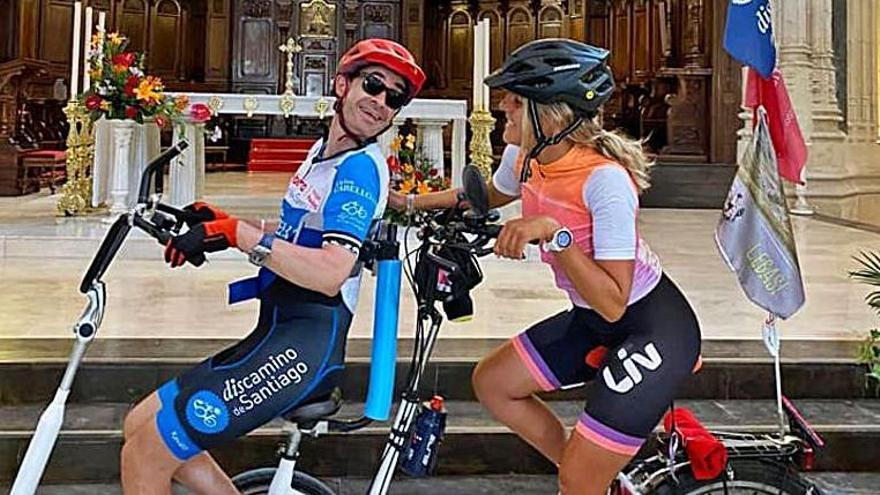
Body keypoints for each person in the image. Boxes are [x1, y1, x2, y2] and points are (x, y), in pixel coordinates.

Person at [390, 39, 701, 494]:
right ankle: (597, 476)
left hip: (649, 325)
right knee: (494, 383)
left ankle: (585, 476)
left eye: (514, 100)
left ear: (549, 114)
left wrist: (555, 235)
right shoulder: (529, 156)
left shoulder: (605, 181)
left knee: (578, 479)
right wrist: (407, 202)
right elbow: (486, 197)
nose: (502, 108)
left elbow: (614, 302)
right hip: (592, 317)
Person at [119, 39, 425, 494]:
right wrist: (226, 221)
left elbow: (329, 272)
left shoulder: (359, 169)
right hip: (276, 332)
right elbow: (296, 232)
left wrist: (241, 236)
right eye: (372, 85)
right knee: (137, 424)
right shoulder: (323, 154)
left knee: (146, 454)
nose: (380, 102)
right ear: (341, 85)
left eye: (393, 97)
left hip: (303, 348)